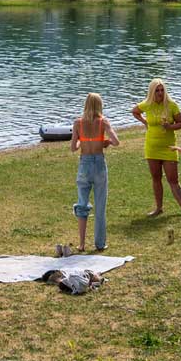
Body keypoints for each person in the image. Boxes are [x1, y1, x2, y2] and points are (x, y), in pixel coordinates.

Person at [132, 79, 181, 218]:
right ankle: (158, 208)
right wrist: (144, 122)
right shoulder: (147, 104)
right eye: (157, 90)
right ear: (152, 92)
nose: (160, 93)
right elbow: (135, 111)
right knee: (156, 178)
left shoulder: (172, 105)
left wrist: (169, 127)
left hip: (168, 147)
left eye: (162, 90)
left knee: (173, 179)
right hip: (152, 146)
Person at [71, 93, 119, 252]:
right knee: (100, 206)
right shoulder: (103, 122)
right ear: (99, 105)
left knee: (82, 204)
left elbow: (73, 147)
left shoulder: (78, 123)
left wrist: (80, 141)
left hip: (84, 164)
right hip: (99, 164)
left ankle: (82, 243)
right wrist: (106, 142)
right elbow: (116, 142)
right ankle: (100, 243)